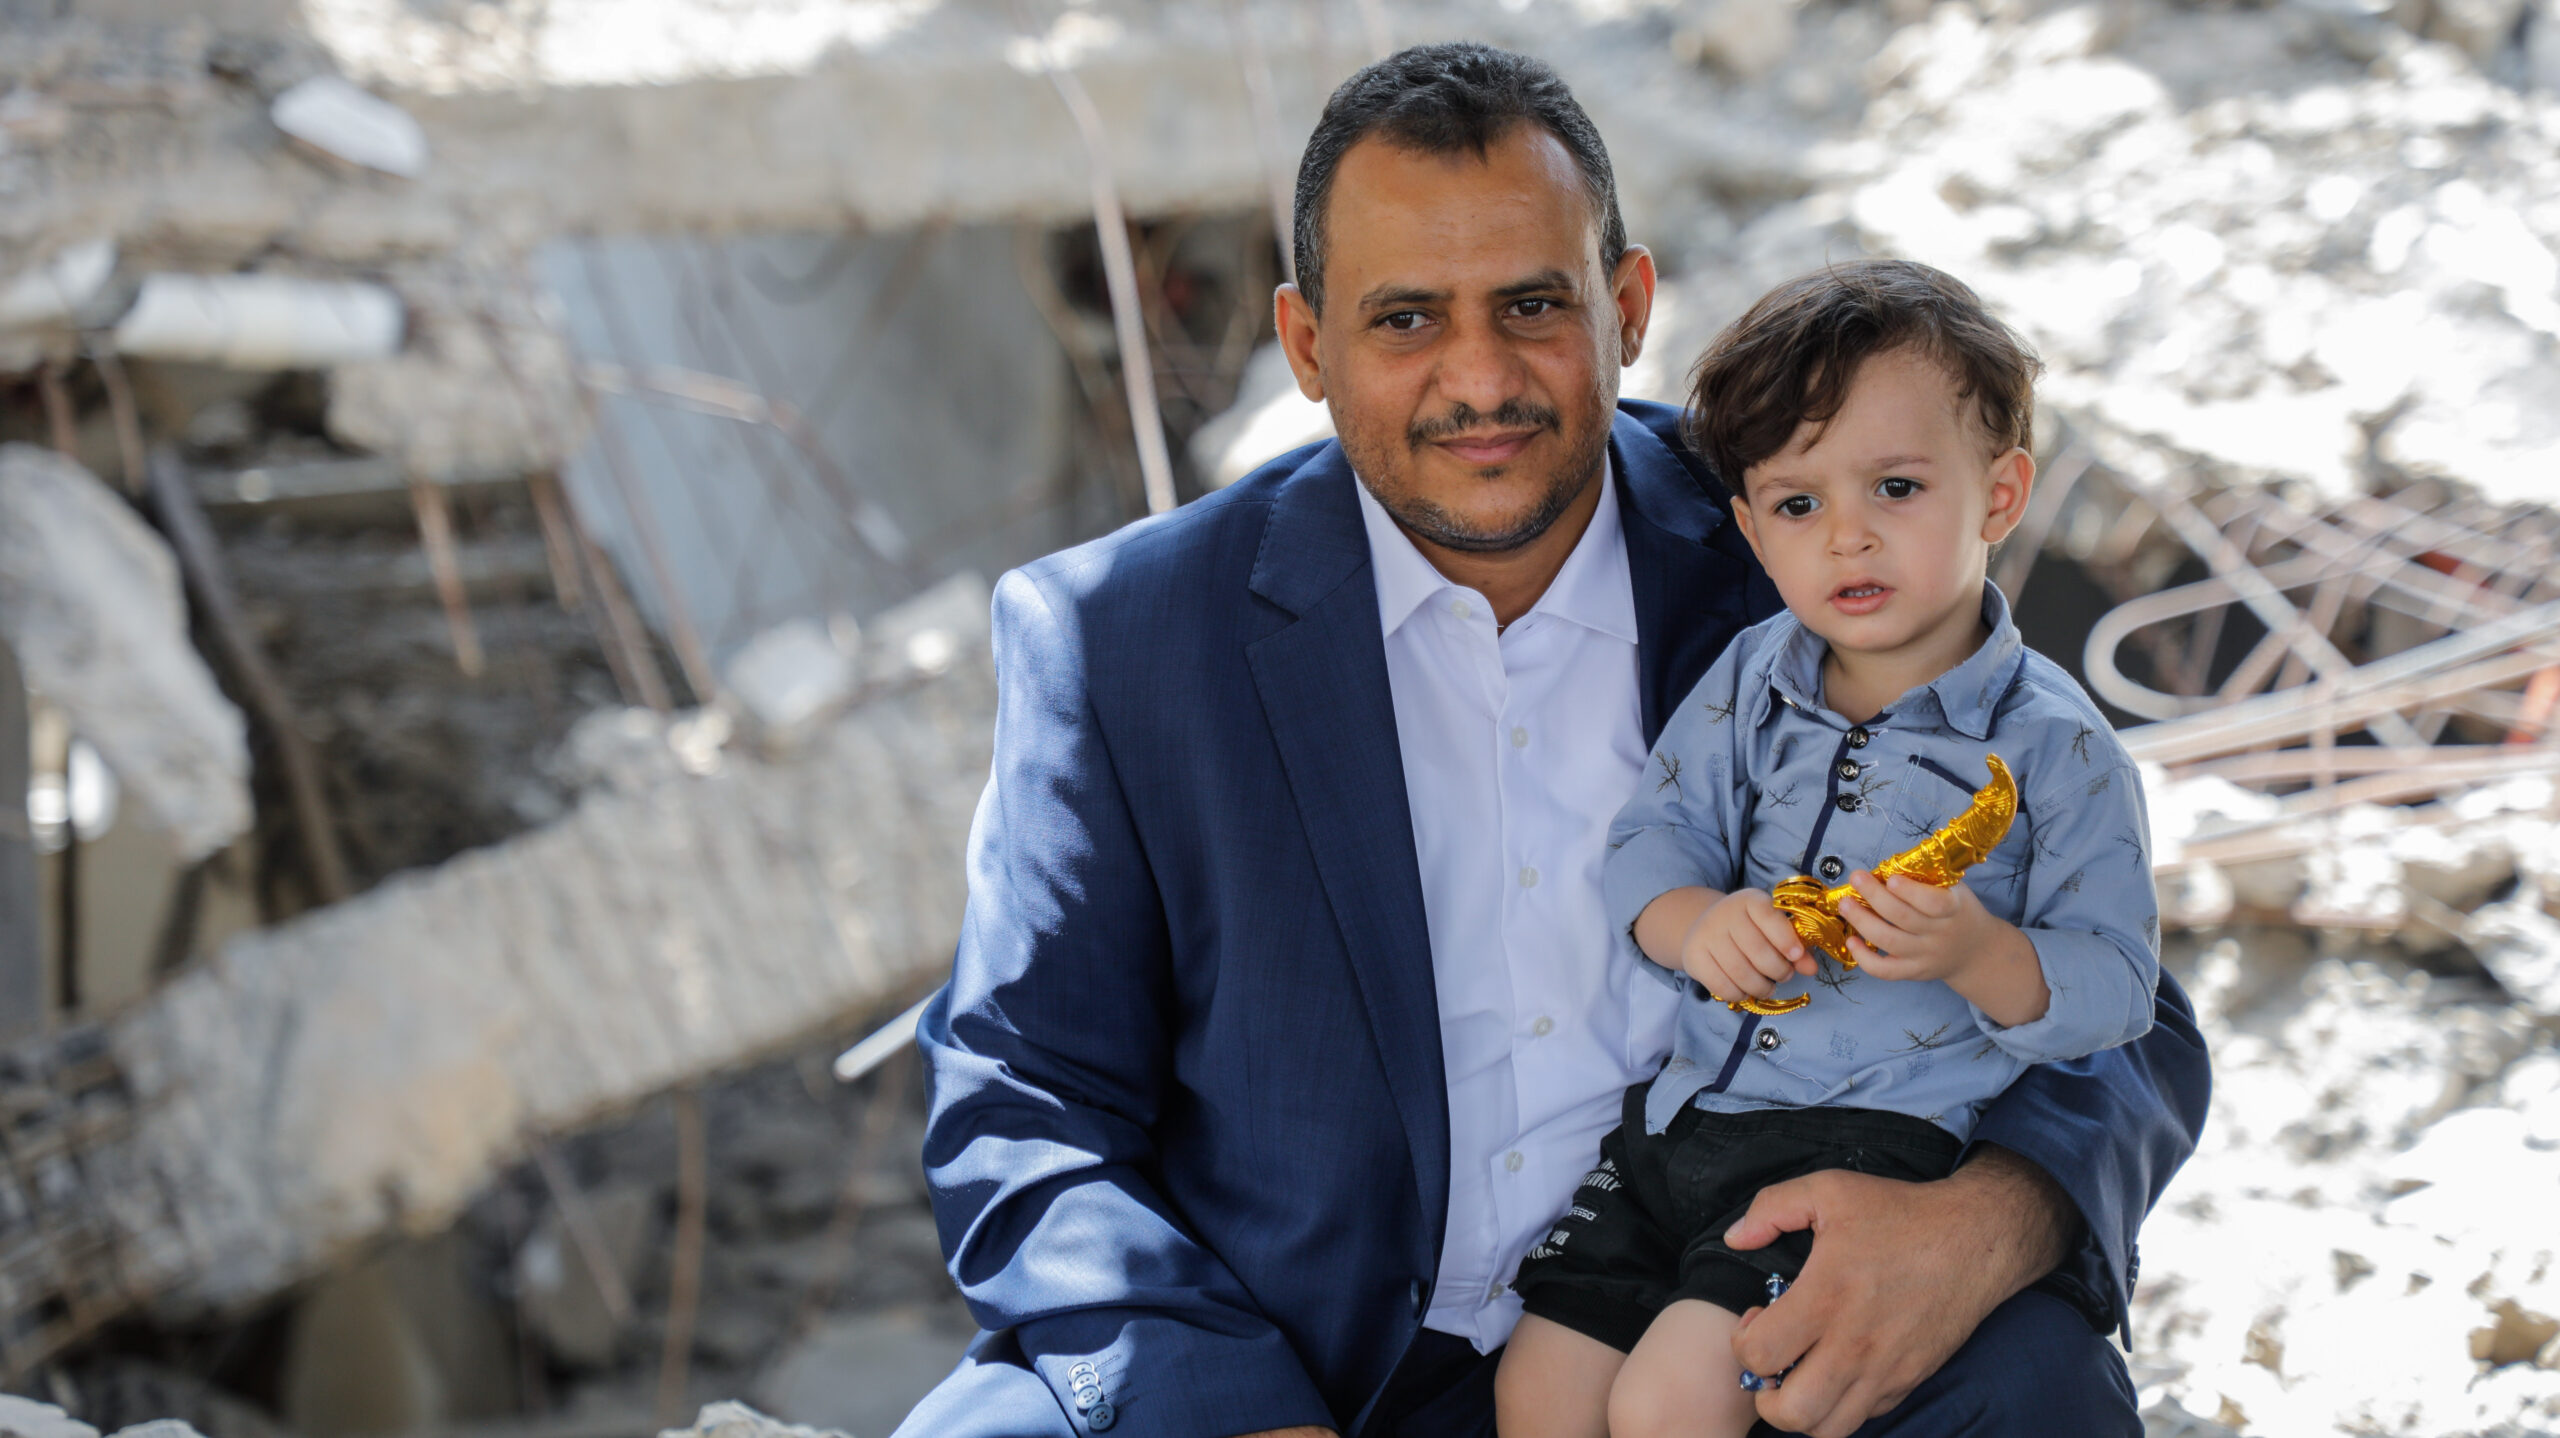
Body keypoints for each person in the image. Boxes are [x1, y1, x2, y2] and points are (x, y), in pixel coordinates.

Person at [896, 42, 2208, 1438]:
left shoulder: (1806, 536)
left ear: (1626, 306)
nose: (1479, 377)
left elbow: (2124, 995)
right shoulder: (1124, 639)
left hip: (1730, 1319)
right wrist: (1223, 1403)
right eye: (1406, 319)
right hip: (1301, 1359)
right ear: (1305, 347)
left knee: (2032, 1388)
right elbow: (1025, 1099)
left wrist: (1982, 1224)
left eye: (1531, 303)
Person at [1495, 260, 2163, 1438]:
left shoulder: (2057, 746)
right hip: (1678, 1119)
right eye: (1798, 505)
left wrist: (1977, 952)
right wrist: (1695, 922)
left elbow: (2121, 986)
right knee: (1539, 1387)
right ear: (1752, 527)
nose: (1846, 536)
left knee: (1668, 1404)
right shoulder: (1753, 676)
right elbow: (1657, 835)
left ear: (2000, 496)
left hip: (1866, 1145)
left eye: (1895, 487)